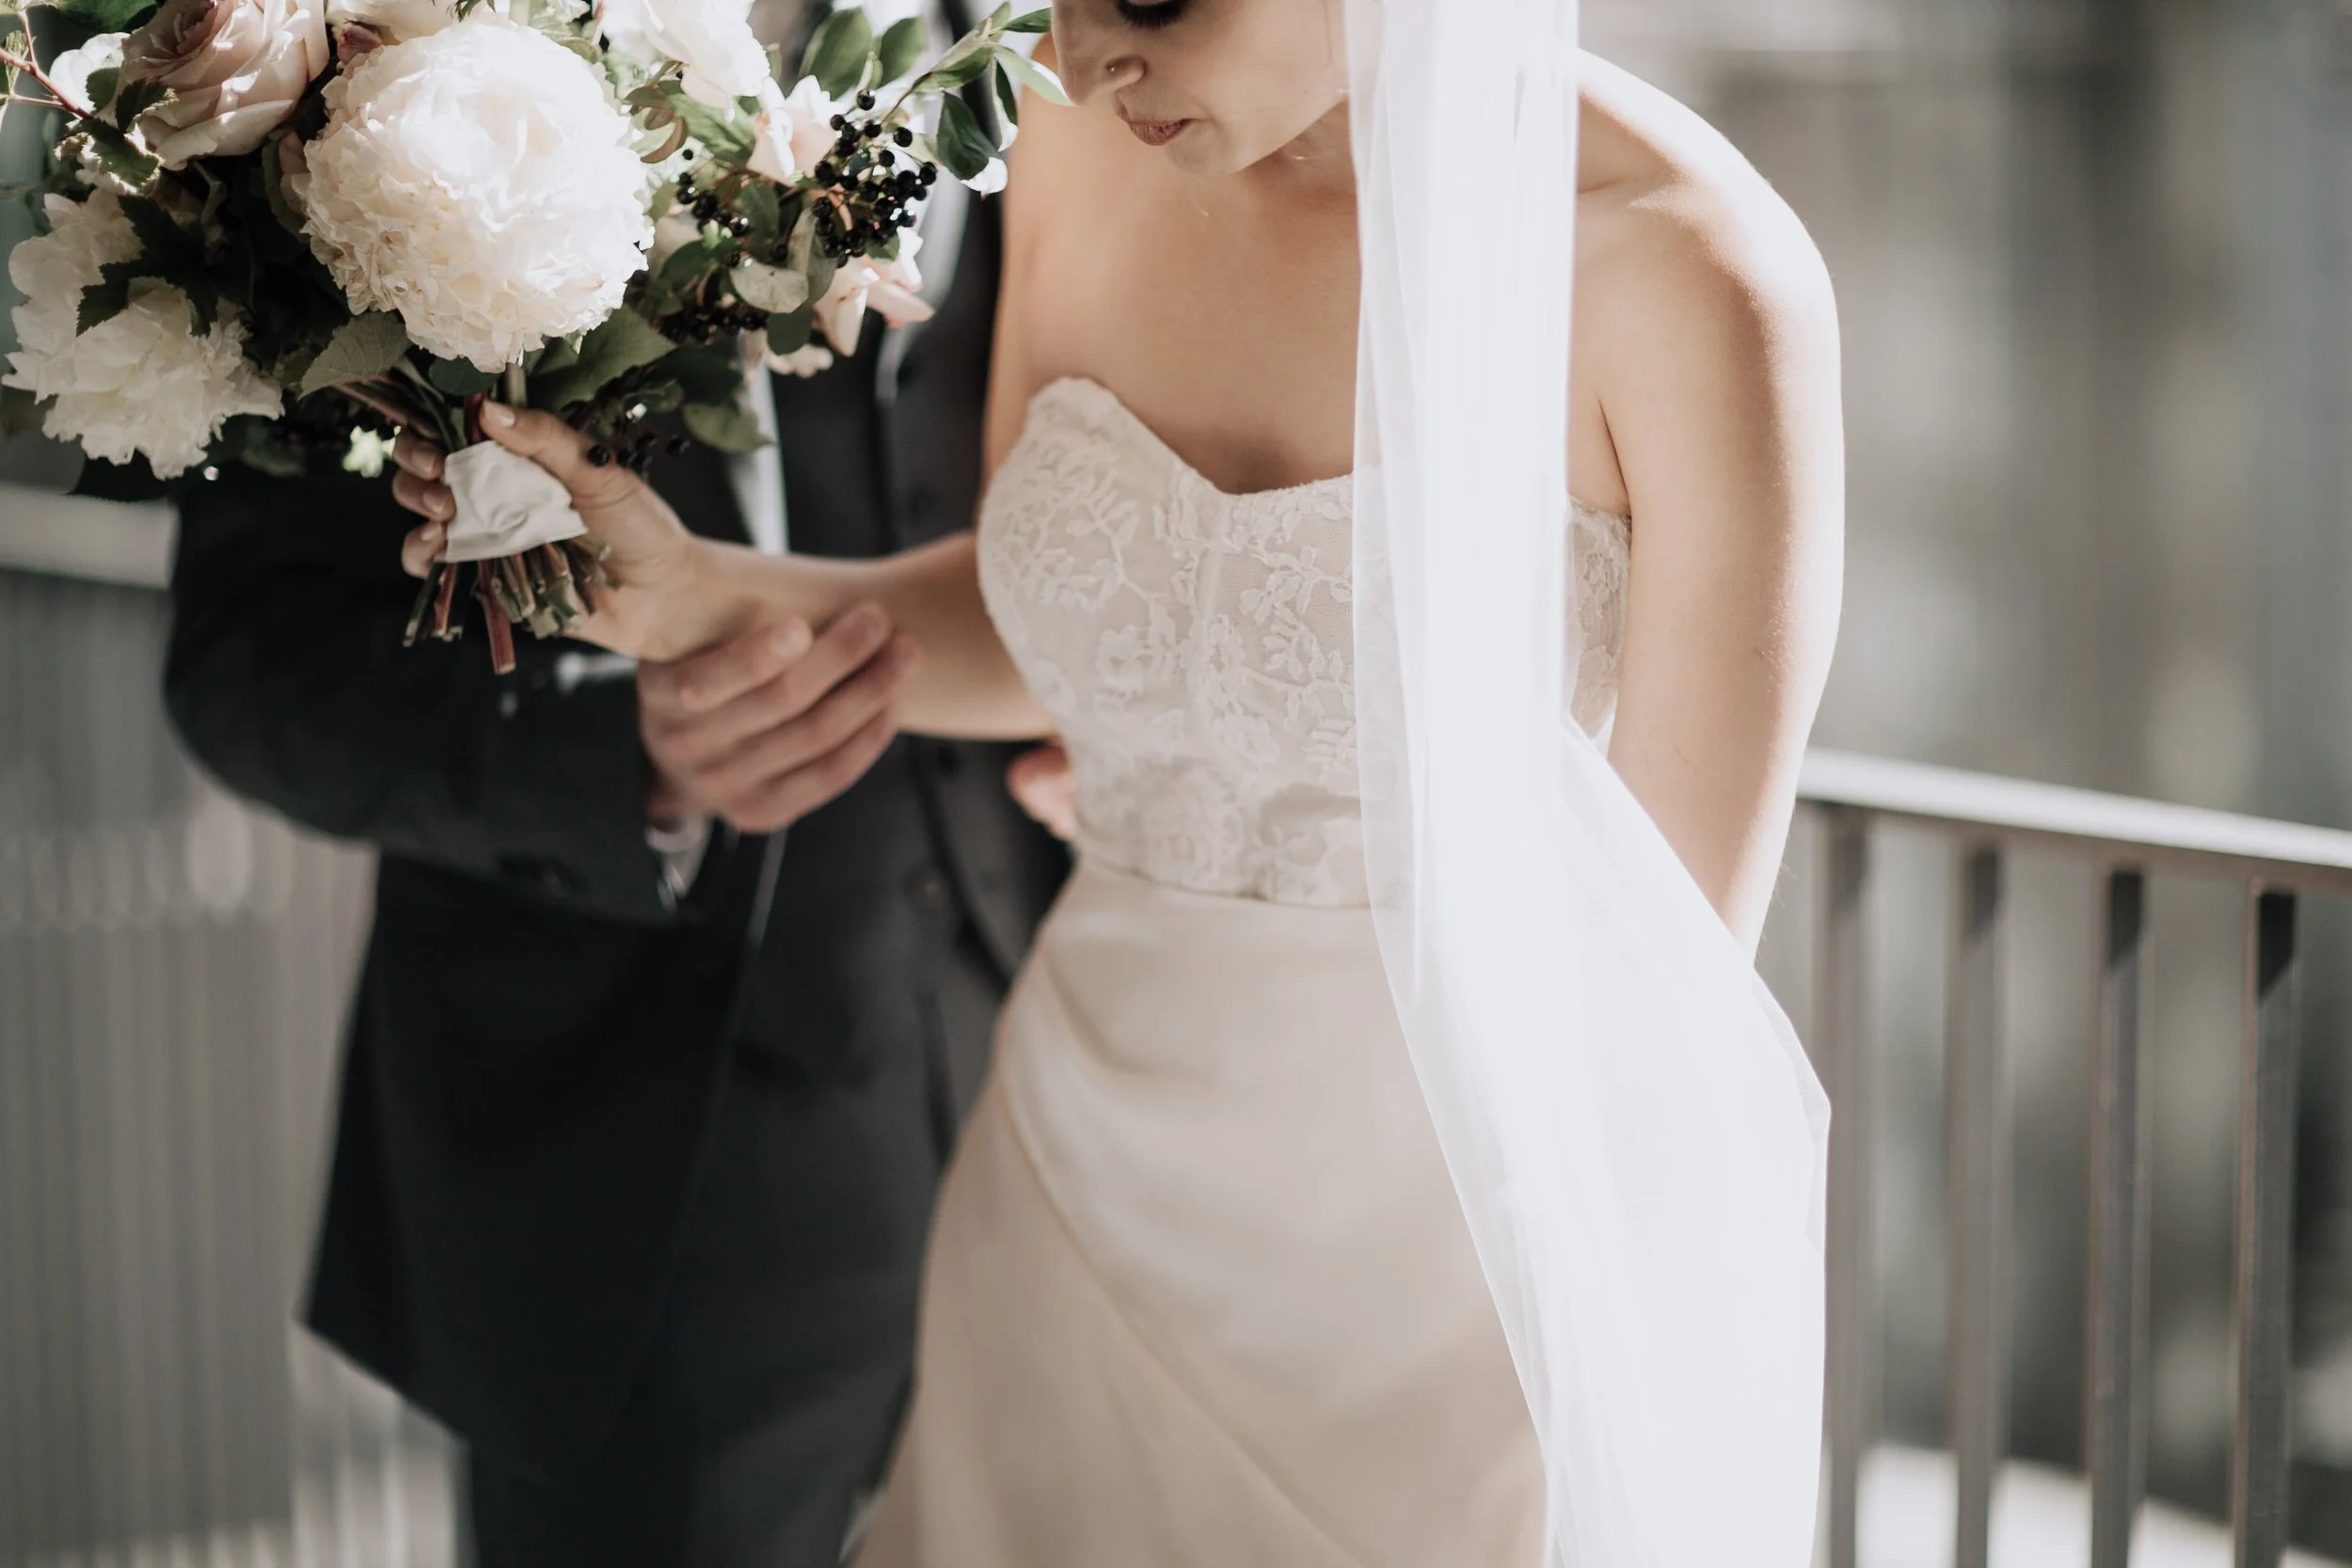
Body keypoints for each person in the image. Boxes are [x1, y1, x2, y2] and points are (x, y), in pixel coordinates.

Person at [387, 0, 1844, 1559]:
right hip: (1075, 1193)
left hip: (1453, 1287)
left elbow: (1677, 997)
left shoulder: (1690, 273)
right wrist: (709, 594)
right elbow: (1062, 614)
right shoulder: (1077, 151)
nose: (1078, 61)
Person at [160, 5, 1070, 1557]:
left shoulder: (1041, 42)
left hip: (1055, 1084)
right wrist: (617, 754)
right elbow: (247, 661)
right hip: (631, 1177)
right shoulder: (375, 56)